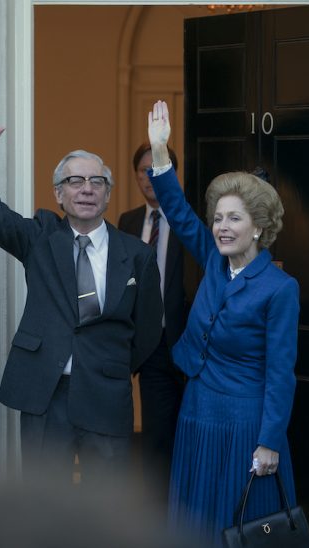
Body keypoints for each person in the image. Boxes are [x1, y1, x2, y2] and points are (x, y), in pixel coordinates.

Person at [0, 100, 163, 484]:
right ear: (58, 195)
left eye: (96, 181)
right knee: (42, 503)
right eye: (75, 181)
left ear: (107, 194)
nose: (86, 189)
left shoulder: (136, 255)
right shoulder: (39, 238)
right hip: (45, 395)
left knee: (106, 507)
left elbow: (148, 330)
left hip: (105, 392)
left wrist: (109, 362)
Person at [145, 100, 300, 543]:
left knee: (240, 524)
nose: (221, 227)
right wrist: (160, 150)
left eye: (234, 218)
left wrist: (269, 441)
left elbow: (280, 372)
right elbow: (175, 208)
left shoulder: (279, 287)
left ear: (258, 227)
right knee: (196, 520)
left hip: (244, 425)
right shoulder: (214, 260)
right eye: (217, 218)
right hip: (198, 412)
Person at [117, 143, 189, 496]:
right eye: (143, 169)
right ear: (135, 176)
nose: (149, 176)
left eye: (156, 168)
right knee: (156, 437)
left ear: (171, 175)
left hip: (189, 345)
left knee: (190, 436)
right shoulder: (127, 222)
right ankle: (158, 516)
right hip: (150, 347)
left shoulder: (191, 221)